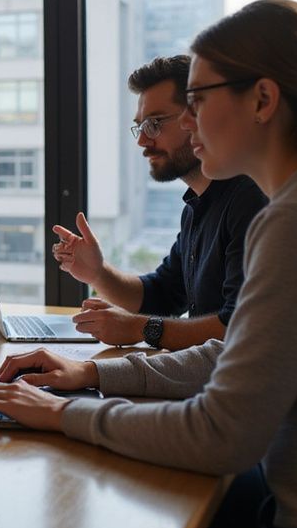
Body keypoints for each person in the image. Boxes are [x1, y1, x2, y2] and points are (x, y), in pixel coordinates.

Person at [0, 0, 297, 528]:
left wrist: (64, 416)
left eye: (197, 100)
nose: (184, 125)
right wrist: (88, 375)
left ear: (263, 98)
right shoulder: (273, 213)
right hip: (280, 508)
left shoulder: (285, 222)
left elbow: (222, 431)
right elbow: (237, 356)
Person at [53, 54, 266, 349]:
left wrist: (138, 329)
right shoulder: (197, 206)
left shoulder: (251, 199)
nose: (142, 140)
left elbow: (237, 328)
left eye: (155, 123)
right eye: (140, 126)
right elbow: (162, 296)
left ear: (198, 118)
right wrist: (98, 273)